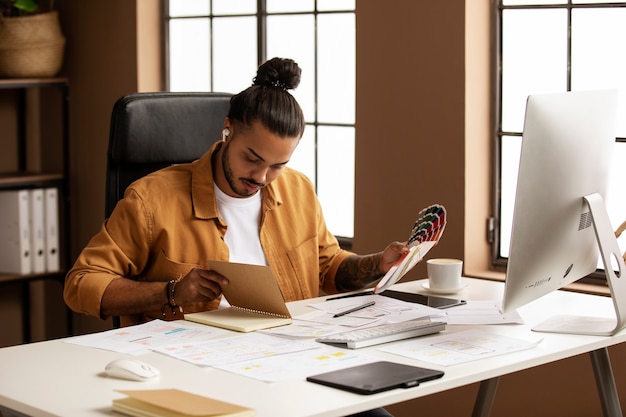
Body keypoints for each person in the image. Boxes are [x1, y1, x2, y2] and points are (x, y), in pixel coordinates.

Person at [65, 56, 400, 417]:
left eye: (277, 165)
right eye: (251, 159)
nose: (261, 176)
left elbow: (329, 267)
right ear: (227, 131)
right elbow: (81, 285)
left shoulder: (298, 190)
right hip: (196, 375)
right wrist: (173, 291)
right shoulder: (151, 200)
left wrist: (378, 265)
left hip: (289, 366)